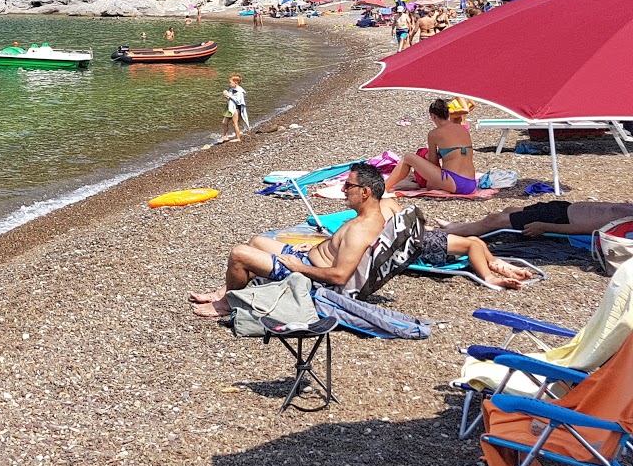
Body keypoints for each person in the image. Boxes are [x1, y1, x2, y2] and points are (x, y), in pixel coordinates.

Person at [189, 163, 388, 317]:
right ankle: (224, 292)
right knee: (258, 241)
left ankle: (226, 303)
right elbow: (344, 249)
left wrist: (299, 267)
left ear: (365, 192)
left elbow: (340, 276)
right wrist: (315, 246)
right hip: (308, 260)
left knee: (239, 254)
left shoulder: (361, 229)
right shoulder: (374, 216)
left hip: (311, 277)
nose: (343, 190)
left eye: (348, 185)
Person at [383, 97, 479, 196]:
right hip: (471, 183)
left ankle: (385, 187)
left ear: (433, 116)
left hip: (454, 181)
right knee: (430, 185)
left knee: (408, 157)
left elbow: (433, 161)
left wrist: (425, 157)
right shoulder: (462, 128)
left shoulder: (434, 133)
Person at [436, 199, 633, 239]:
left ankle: (443, 234)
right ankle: (460, 227)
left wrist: (544, 227)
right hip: (564, 206)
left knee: (494, 220)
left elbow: (586, 229)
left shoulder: (628, 220)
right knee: (510, 209)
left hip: (559, 218)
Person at [220, 74, 247, 143]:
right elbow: (230, 97)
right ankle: (225, 136)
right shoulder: (232, 89)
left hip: (236, 108)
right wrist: (227, 96)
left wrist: (230, 96)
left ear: (236, 83)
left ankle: (238, 138)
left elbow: (238, 101)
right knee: (224, 122)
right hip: (230, 107)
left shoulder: (240, 91)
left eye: (230, 82)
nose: (229, 84)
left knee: (235, 123)